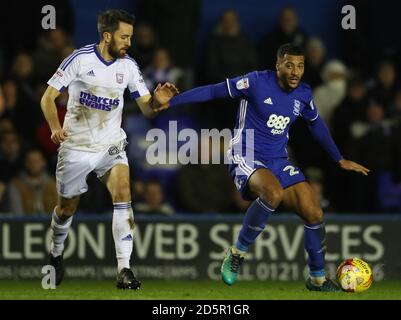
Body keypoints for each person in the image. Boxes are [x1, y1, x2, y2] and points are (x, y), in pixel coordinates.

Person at [161, 43, 370, 292]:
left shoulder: (303, 94)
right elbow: (215, 91)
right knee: (272, 194)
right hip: (245, 153)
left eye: (300, 66)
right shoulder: (256, 82)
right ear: (278, 65)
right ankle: (237, 252)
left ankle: (317, 279)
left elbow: (316, 125)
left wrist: (339, 158)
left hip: (278, 160)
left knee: (314, 213)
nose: (295, 71)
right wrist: (172, 101)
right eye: (289, 65)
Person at [40, 9, 178, 289]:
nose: (129, 42)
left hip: (110, 145)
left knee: (123, 193)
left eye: (130, 37)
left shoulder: (128, 67)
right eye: (124, 37)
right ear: (107, 36)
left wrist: (157, 103)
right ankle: (55, 253)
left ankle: (124, 269)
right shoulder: (79, 60)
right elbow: (48, 98)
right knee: (66, 209)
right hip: (76, 147)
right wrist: (55, 128)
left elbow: (146, 108)